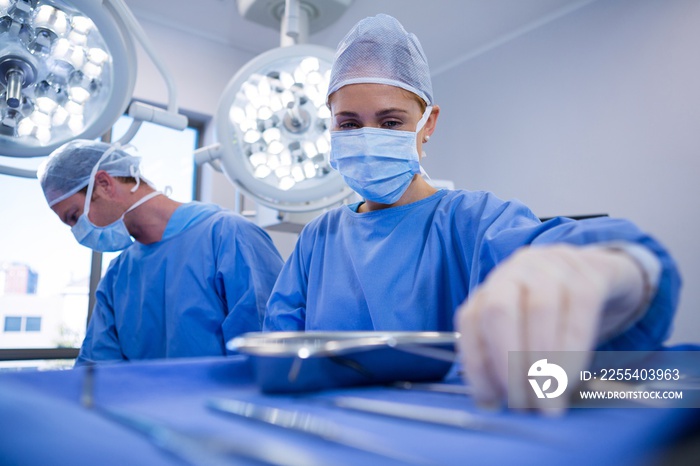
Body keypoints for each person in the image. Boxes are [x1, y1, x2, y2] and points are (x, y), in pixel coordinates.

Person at [264, 14, 681, 411]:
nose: (368, 138)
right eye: (349, 124)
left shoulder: (474, 221)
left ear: (429, 123)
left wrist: (621, 270)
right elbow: (279, 359)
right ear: (331, 127)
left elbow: (567, 249)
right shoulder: (317, 240)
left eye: (390, 122)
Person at [38, 140, 284, 366]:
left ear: (103, 184)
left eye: (74, 217)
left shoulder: (228, 236)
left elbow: (268, 353)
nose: (78, 232)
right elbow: (96, 372)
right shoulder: (117, 276)